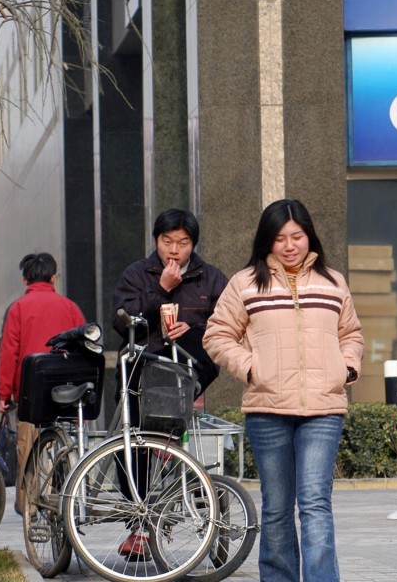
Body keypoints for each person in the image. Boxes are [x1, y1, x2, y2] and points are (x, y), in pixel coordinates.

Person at [204, 198, 363, 582]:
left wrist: (347, 367)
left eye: (297, 236)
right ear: (267, 242)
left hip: (323, 409)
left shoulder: (333, 281)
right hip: (268, 410)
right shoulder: (244, 283)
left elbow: (351, 333)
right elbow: (217, 334)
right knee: (276, 506)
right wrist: (251, 367)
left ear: (310, 237)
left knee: (314, 503)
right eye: (279, 239)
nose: (290, 245)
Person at [111, 208, 228, 557]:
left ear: (193, 244)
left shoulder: (210, 278)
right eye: (167, 242)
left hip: (188, 372)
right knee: (134, 447)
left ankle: (195, 500)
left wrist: (196, 330)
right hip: (141, 372)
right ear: (156, 241)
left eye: (182, 242)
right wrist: (161, 290)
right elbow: (122, 322)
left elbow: (229, 323)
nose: (174, 250)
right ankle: (139, 523)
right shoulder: (137, 274)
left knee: (176, 442)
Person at [0, 253, 86, 514]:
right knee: (64, 444)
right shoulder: (70, 307)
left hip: (30, 392)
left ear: (25, 279)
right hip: (65, 390)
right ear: (53, 277)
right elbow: (84, 348)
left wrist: (4, 394)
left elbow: (9, 354)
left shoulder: (18, 308)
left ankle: (29, 507)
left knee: (28, 447)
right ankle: (63, 499)